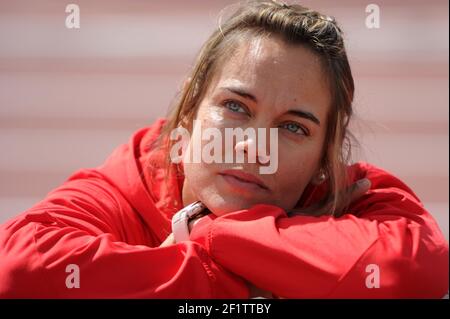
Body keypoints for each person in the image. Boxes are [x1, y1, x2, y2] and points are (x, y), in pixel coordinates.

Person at [0, 0, 448, 298]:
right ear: (190, 112)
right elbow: (20, 266)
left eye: (293, 127)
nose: (255, 147)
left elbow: (412, 269)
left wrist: (216, 233)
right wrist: (262, 272)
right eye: (236, 106)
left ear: (323, 160)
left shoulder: (353, 194)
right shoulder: (128, 180)